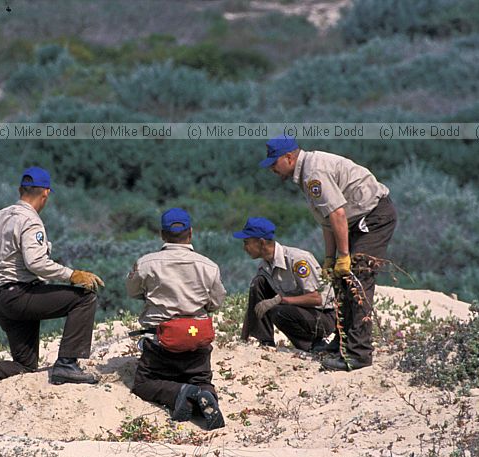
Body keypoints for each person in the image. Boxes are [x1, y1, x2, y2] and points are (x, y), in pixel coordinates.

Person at [0, 166, 104, 404]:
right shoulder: (31, 221)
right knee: (84, 299)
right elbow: (36, 263)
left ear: (20, 190)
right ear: (46, 193)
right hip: (22, 295)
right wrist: (72, 274)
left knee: (25, 365)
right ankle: (67, 364)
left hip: (2, 300)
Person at [259, 135, 397, 370]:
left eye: (274, 162)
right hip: (354, 222)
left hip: (372, 218)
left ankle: (359, 354)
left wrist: (343, 255)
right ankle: (342, 343)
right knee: (340, 279)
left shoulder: (313, 173)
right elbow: (327, 221)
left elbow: (337, 214)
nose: (272, 168)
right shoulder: (305, 173)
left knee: (357, 282)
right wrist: (331, 258)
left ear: (289, 157)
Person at [126, 208, 227, 430]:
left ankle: (179, 392)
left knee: (143, 384)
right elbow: (217, 302)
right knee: (202, 380)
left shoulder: (146, 263)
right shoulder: (209, 266)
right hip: (195, 342)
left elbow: (132, 291)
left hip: (161, 344)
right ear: (190, 233)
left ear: (162, 234)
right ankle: (204, 395)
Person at [233, 216, 337, 352]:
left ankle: (312, 345)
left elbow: (316, 298)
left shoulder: (298, 260)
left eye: (247, 242)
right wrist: (243, 338)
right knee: (257, 283)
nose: (245, 248)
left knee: (279, 311)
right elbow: (255, 305)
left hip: (322, 316)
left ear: (261, 242)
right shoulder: (264, 267)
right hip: (299, 312)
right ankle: (264, 341)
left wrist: (280, 300)